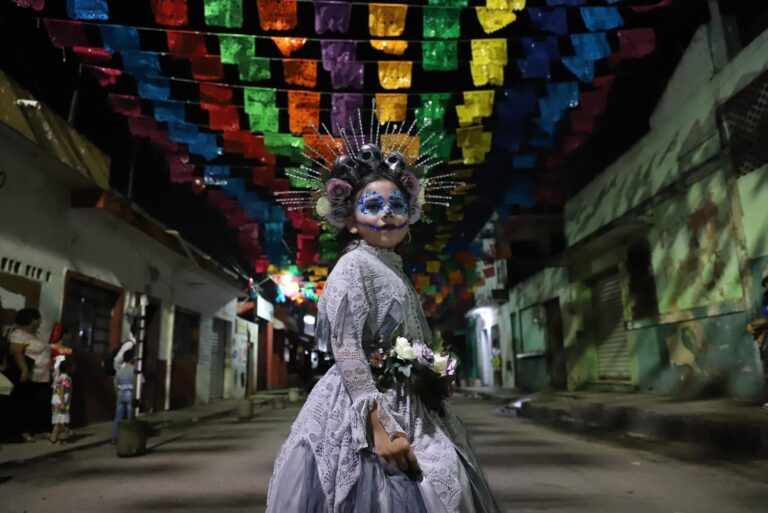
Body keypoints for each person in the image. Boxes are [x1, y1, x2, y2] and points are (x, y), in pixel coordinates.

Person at [266, 126, 501, 512]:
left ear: (410, 216)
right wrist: (377, 425)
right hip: (370, 405)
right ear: (351, 220)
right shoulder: (354, 265)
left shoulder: (392, 268)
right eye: (373, 205)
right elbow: (346, 346)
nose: (387, 213)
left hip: (410, 402)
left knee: (450, 484)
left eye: (397, 205)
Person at [8, 308, 51, 441]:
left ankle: (37, 430)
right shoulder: (19, 335)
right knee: (26, 404)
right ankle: (24, 431)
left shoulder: (35, 335)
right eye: (38, 319)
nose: (40, 321)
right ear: (32, 320)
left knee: (40, 405)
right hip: (30, 376)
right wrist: (24, 369)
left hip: (43, 376)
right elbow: (16, 353)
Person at [747, 276, 768, 409]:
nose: (766, 288)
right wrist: (761, 336)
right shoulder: (765, 301)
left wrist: (754, 324)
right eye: (765, 286)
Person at [111, 349, 137, 444]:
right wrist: (137, 397)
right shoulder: (135, 371)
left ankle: (114, 437)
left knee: (118, 416)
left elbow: (115, 384)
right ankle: (129, 437)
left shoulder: (120, 371)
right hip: (131, 394)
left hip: (121, 394)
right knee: (130, 417)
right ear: (132, 358)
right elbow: (139, 384)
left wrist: (117, 394)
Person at [50, 358, 74, 444]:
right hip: (61, 401)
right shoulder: (66, 378)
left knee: (59, 421)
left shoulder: (60, 377)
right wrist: (63, 403)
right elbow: (62, 389)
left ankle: (58, 438)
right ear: (68, 368)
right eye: (72, 366)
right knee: (59, 422)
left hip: (56, 401)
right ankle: (53, 439)